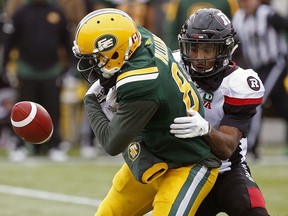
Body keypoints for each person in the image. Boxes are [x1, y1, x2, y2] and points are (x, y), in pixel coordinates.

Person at [73, 8, 221, 215]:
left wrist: (90, 101)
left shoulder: (141, 81)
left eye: (97, 58)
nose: (92, 64)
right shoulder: (139, 36)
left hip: (187, 162)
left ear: (115, 51)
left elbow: (112, 143)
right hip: (154, 153)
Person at [170, 8, 269, 215]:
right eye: (193, 48)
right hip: (184, 170)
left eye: (208, 50)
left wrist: (205, 129)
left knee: (255, 211)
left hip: (226, 169)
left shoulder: (239, 83)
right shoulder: (172, 65)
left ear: (225, 50)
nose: (199, 58)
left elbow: (226, 149)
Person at [2, 0, 71, 162]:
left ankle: (54, 145)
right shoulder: (21, 13)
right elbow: (9, 42)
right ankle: (19, 145)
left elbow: (66, 41)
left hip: (51, 69)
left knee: (53, 108)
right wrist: (4, 66)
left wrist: (69, 66)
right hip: (26, 69)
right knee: (22, 110)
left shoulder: (57, 11)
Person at [232, 0, 288, 158]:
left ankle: (251, 148)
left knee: (257, 101)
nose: (246, 3)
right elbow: (235, 46)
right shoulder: (238, 18)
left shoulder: (268, 14)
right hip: (255, 68)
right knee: (283, 107)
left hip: (276, 63)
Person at [163, 0, 239, 50]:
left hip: (217, 50)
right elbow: (171, 31)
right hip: (190, 49)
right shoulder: (178, 2)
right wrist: (180, 50)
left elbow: (237, 28)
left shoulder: (229, 2)